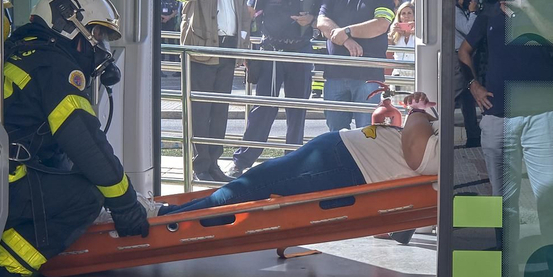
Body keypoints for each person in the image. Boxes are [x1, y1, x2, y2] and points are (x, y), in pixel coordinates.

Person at [0, 0, 149, 277]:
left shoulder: (25, 51)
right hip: (3, 182)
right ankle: (4, 275)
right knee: (85, 198)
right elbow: (86, 142)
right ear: (68, 24)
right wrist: (125, 203)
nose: (102, 47)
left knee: (70, 174)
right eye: (97, 34)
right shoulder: (56, 67)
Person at [457, 0, 553, 277]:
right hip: (499, 118)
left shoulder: (543, 7)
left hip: (543, 117)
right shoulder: (488, 12)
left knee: (549, 195)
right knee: (503, 201)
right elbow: (464, 51)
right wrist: (473, 84)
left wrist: (526, 6)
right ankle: (507, 266)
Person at [158, 92, 438, 217]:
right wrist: (423, 114)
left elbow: (416, 152)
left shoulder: (448, 153)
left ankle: (165, 217)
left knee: (255, 185)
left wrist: (417, 112)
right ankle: (170, 213)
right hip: (342, 152)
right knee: (255, 181)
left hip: (347, 164)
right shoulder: (447, 136)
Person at [230, 0, 320, 176]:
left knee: (297, 109)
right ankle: (242, 161)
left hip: (300, 52)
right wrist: (244, 44)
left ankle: (291, 163)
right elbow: (248, 14)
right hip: (271, 51)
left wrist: (311, 20)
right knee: (264, 108)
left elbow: (321, 17)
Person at [174, 0, 254, 182]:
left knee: (220, 110)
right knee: (200, 110)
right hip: (201, 45)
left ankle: (214, 165)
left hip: (228, 46)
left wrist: (243, 43)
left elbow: (242, 9)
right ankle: (200, 166)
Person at [314, 0, 398, 132]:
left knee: (367, 134)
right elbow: (321, 21)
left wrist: (348, 31)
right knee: (335, 134)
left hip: (368, 78)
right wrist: (346, 39)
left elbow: (381, 24)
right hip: (335, 75)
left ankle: (361, 163)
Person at [451, 0, 483, 147]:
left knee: (468, 99)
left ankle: (473, 135)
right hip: (458, 57)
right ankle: (441, 132)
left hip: (465, 56)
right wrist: (473, 12)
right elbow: (469, 30)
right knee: (454, 95)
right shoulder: (455, 12)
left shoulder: (460, 10)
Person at [390, 0, 417, 78]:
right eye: (403, 13)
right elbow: (384, 46)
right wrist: (392, 33)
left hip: (414, 74)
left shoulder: (420, 32)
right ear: (399, 17)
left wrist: (418, 32)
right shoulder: (395, 34)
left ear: (414, 15)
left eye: (409, 13)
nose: (406, 16)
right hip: (398, 74)